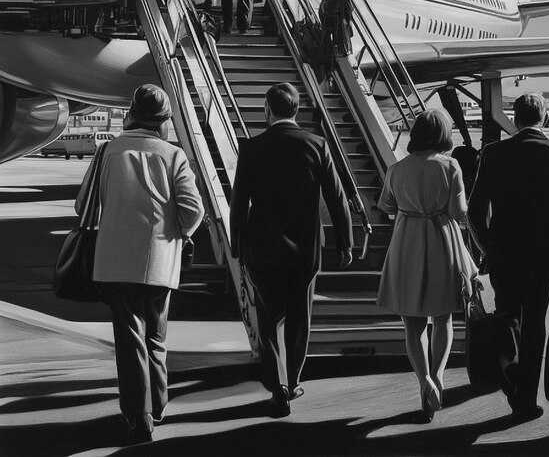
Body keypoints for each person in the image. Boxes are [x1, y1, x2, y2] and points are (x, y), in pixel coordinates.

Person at [75, 84, 204, 442]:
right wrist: (178, 232)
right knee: (156, 338)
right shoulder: (173, 154)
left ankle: (138, 413)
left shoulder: (107, 152)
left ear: (131, 114)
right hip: (161, 261)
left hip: (114, 260)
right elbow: (193, 210)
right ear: (163, 121)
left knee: (129, 338)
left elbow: (82, 206)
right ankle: (159, 405)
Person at [229, 82, 353, 418]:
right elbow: (337, 198)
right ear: (296, 109)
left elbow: (239, 202)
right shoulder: (317, 144)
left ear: (267, 110)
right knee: (300, 317)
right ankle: (294, 379)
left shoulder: (252, 148)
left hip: (263, 247)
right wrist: (345, 242)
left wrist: (235, 242)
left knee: (267, 319)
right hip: (305, 250)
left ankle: (277, 386)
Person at [468, 93, 549, 422]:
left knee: (507, 318)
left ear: (515, 119)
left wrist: (487, 249)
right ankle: (525, 399)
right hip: (542, 257)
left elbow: (475, 212)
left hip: (503, 255)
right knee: (535, 325)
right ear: (544, 117)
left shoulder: (494, 153)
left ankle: (510, 369)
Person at [377, 109, 478, 423]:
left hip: (407, 240)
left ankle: (424, 381)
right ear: (442, 134)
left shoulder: (396, 169)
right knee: (442, 316)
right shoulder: (450, 166)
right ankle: (439, 375)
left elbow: (387, 207)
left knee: (412, 324)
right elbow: (458, 212)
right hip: (440, 239)